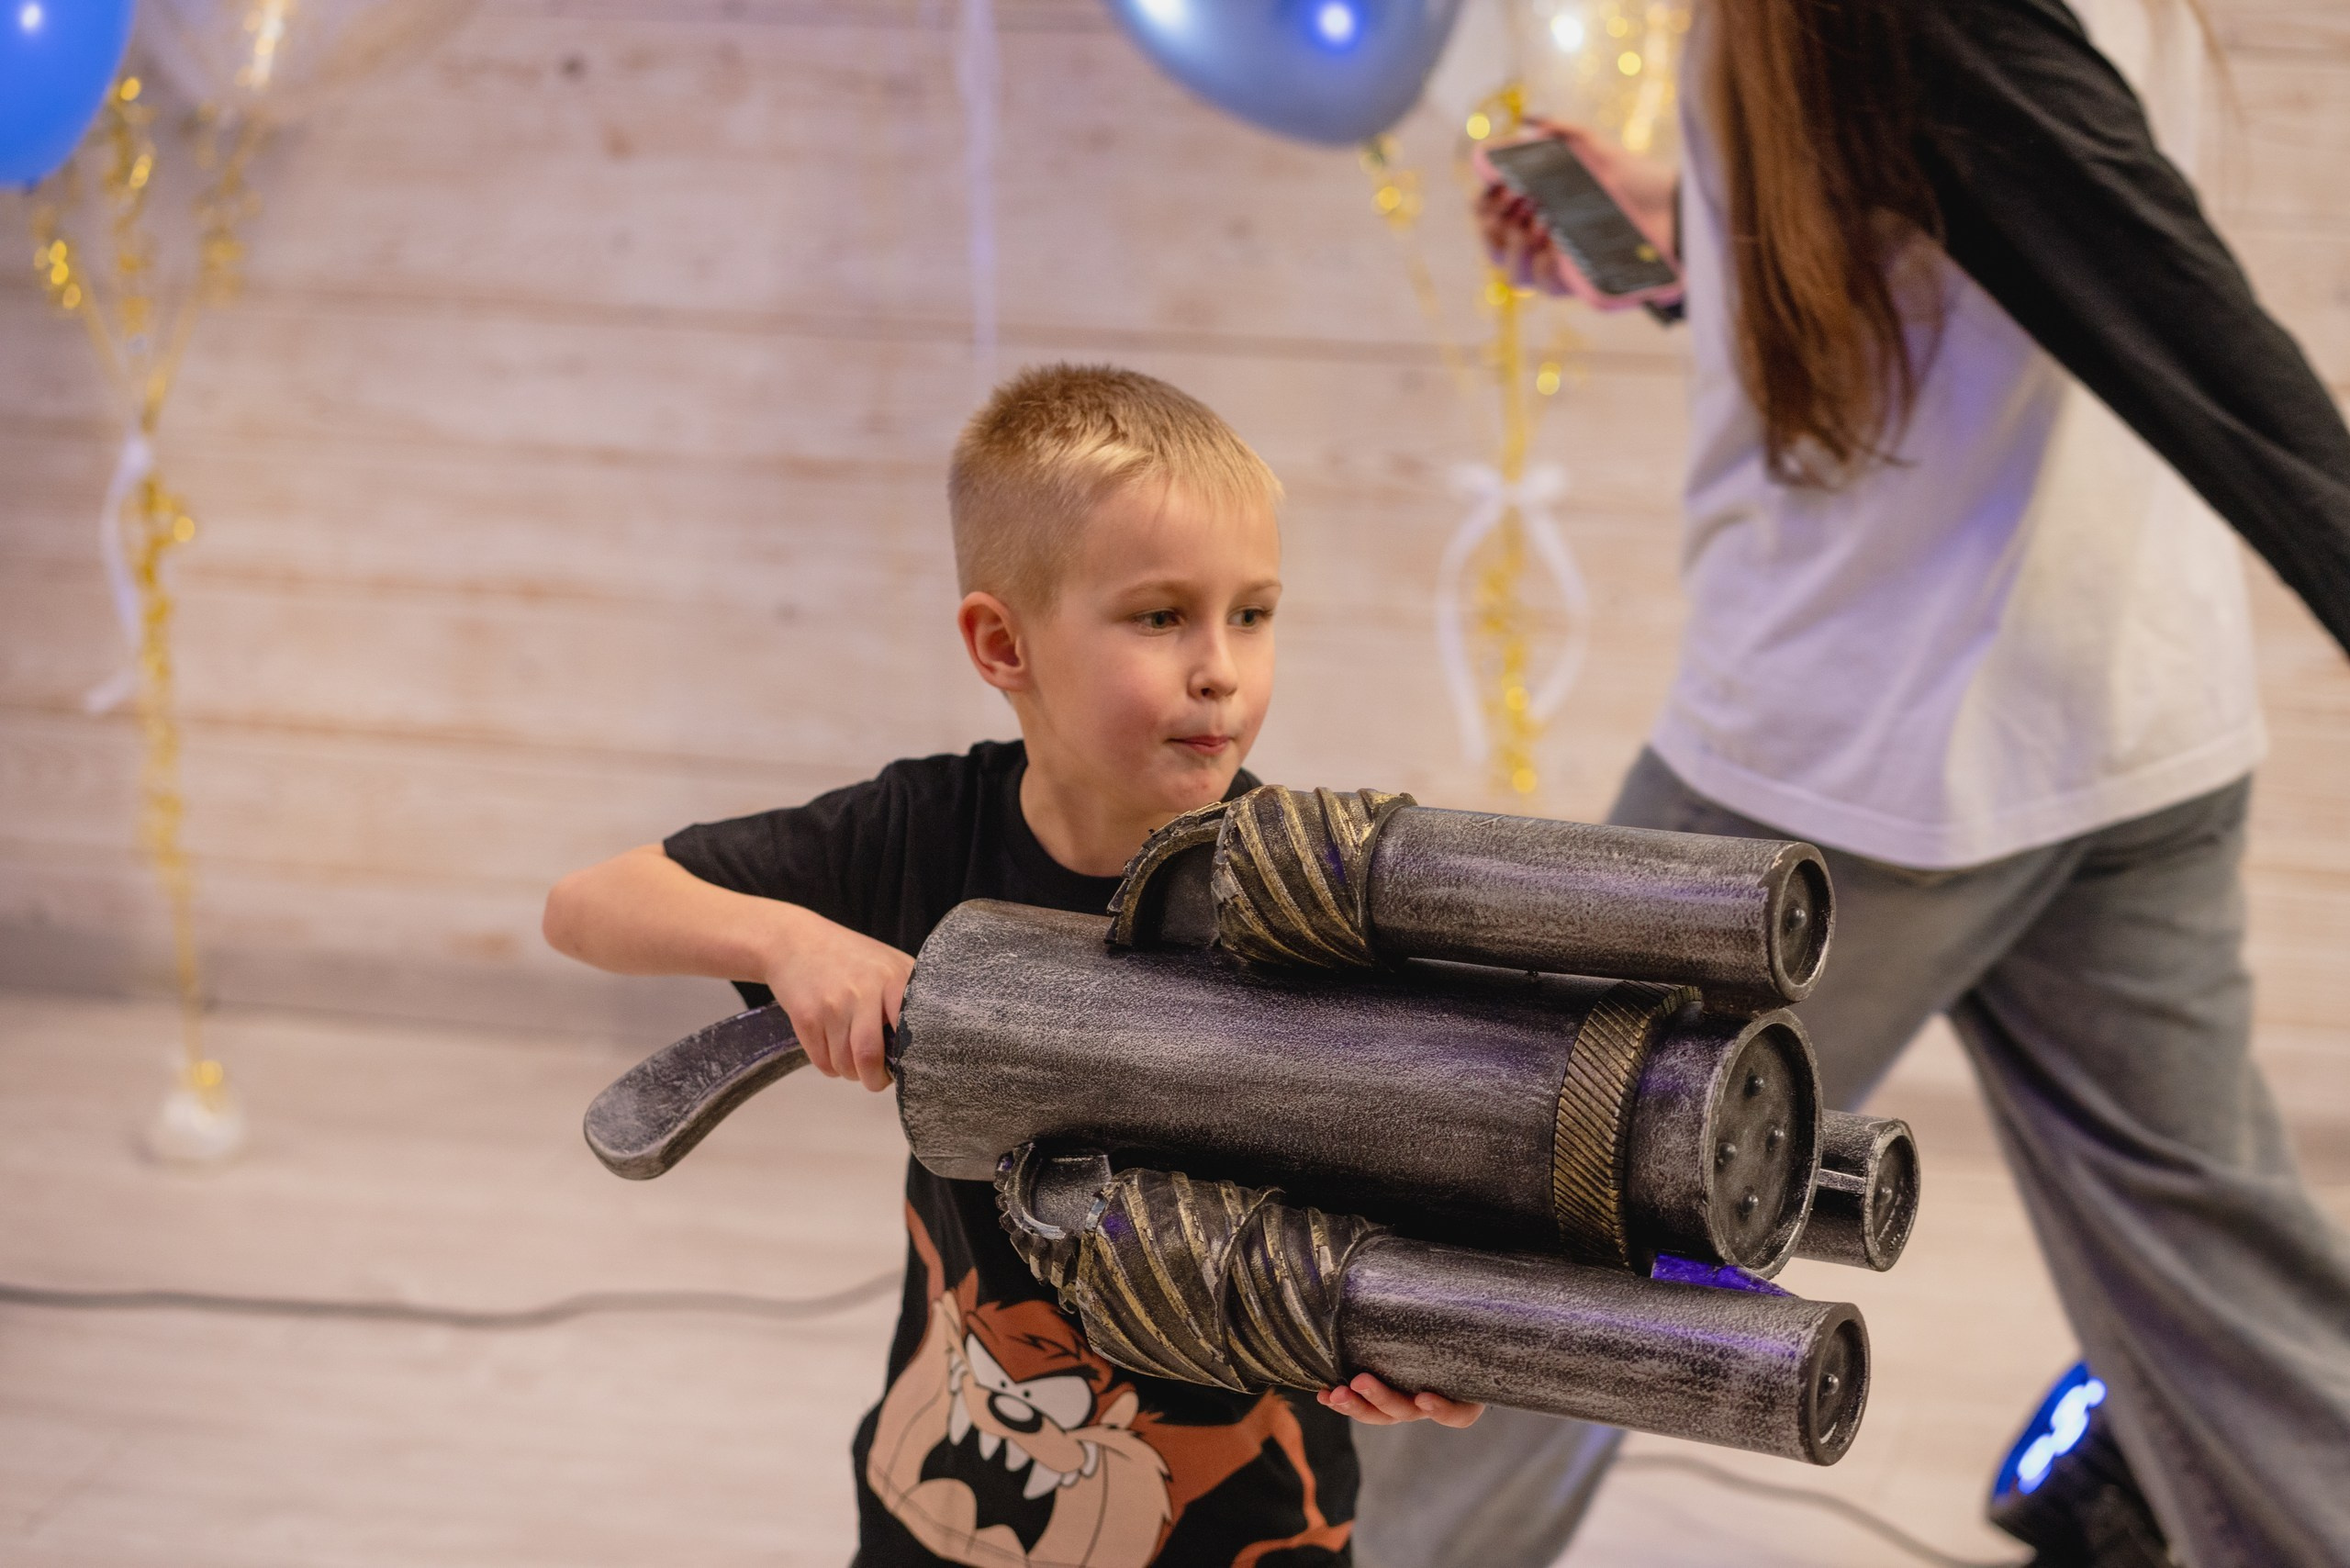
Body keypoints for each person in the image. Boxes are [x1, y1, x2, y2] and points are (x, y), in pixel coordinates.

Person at [1351, 0, 2350, 1563]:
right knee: (2226, 1301)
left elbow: (2186, 332)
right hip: (2126, 716)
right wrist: (1693, 231)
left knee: (1532, 1248)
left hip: (1849, 766)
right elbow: (1978, 252)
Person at [543, 364, 1479, 1568]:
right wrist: (793, 942)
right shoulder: (923, 836)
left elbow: (1421, 1204)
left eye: (1252, 614)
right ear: (1003, 643)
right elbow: (588, 905)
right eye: (1161, 617)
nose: (1222, 669)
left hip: (1245, 1540)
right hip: (944, 1512)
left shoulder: (1316, 903)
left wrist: (1425, 1341)